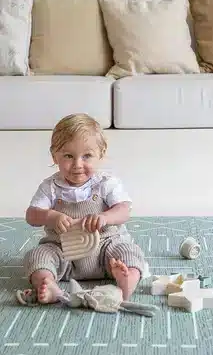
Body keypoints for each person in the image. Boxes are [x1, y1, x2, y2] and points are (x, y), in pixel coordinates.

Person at [19, 113, 148, 304]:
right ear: (55, 156)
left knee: (130, 251)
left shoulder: (106, 183)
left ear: (101, 154)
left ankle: (126, 279)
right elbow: (31, 215)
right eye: (68, 156)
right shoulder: (50, 187)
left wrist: (105, 217)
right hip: (63, 252)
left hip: (106, 250)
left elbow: (124, 210)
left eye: (87, 156)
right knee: (37, 256)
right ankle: (48, 283)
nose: (77, 165)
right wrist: (51, 216)